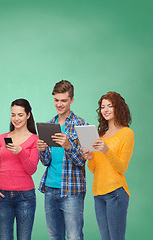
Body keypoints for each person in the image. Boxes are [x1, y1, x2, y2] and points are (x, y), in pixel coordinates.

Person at [37, 80, 88, 240]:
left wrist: (68, 146)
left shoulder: (82, 125)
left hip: (72, 191)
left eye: (63, 100)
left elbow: (83, 160)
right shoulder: (49, 125)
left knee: (74, 236)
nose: (59, 104)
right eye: (56, 100)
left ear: (71, 100)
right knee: (54, 236)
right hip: (50, 189)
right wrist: (42, 150)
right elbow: (46, 161)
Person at [82, 92, 134, 240]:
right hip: (98, 194)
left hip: (116, 193)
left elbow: (122, 167)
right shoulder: (99, 135)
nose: (105, 109)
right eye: (103, 106)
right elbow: (94, 169)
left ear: (119, 108)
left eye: (110, 106)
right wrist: (90, 158)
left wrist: (106, 150)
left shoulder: (127, 133)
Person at [0, 99, 39, 240]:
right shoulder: (2, 138)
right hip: (3, 197)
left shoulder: (34, 139)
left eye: (20, 115)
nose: (16, 119)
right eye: (13, 115)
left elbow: (31, 169)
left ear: (28, 115)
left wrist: (21, 151)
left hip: (25, 197)